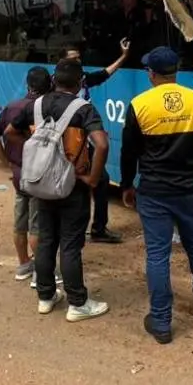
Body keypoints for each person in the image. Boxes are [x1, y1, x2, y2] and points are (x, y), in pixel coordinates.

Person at [120, 47, 193, 344]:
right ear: (176, 71)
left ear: (152, 74)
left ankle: (162, 322)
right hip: (190, 190)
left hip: (154, 193)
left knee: (157, 255)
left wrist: (127, 184)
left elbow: (129, 152)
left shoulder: (139, 105)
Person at [5, 59, 111, 322]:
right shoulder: (83, 108)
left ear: (54, 80)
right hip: (72, 185)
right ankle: (77, 303)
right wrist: (93, 178)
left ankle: (46, 296)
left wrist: (37, 153)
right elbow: (102, 145)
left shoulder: (36, 105)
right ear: (79, 83)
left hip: (41, 184)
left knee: (46, 240)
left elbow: (9, 133)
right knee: (71, 245)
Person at [60, 38, 131, 244]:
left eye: (79, 58)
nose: (79, 62)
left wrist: (124, 56)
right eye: (73, 60)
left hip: (84, 143)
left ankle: (97, 228)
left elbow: (104, 74)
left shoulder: (81, 80)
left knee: (100, 180)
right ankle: (73, 230)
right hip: (69, 143)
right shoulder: (59, 86)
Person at [0, 66, 53, 281]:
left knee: (20, 222)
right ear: (49, 85)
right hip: (38, 175)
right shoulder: (47, 109)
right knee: (38, 226)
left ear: (28, 85)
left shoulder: (12, 107)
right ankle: (41, 273)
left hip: (18, 174)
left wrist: (7, 163)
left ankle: (24, 265)